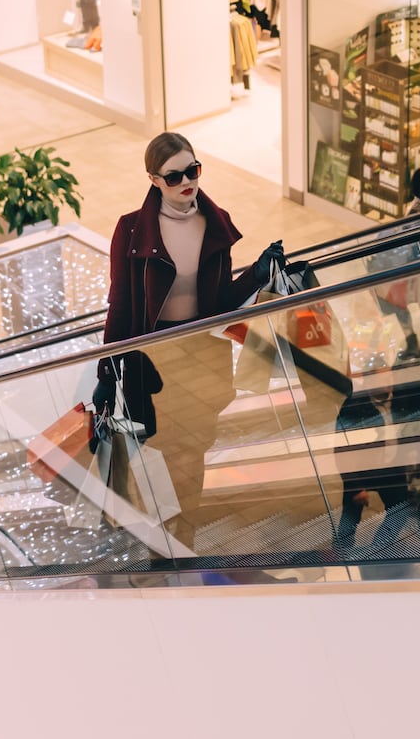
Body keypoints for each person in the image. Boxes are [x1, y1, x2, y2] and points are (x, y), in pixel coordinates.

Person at [95, 131, 285, 551]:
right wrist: (107, 372)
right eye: (174, 175)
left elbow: (218, 304)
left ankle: (184, 538)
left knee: (192, 455)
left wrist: (256, 273)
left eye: (193, 170)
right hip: (151, 364)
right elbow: (122, 307)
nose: (187, 181)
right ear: (153, 179)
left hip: (199, 359)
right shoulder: (130, 231)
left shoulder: (213, 225)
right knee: (160, 455)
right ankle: (161, 540)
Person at [332, 359, 420, 552]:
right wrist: (356, 487)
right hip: (361, 470)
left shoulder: (399, 399)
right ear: (369, 382)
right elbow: (342, 451)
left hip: (391, 468)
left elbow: (413, 429)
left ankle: (377, 549)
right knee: (351, 514)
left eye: (389, 376)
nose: (389, 381)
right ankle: (340, 552)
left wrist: (419, 465)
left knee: (399, 510)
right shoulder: (354, 407)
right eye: (382, 378)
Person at [371, 164, 420, 359]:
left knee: (395, 301)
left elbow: (405, 240)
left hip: (413, 266)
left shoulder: (418, 212)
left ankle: (411, 339)